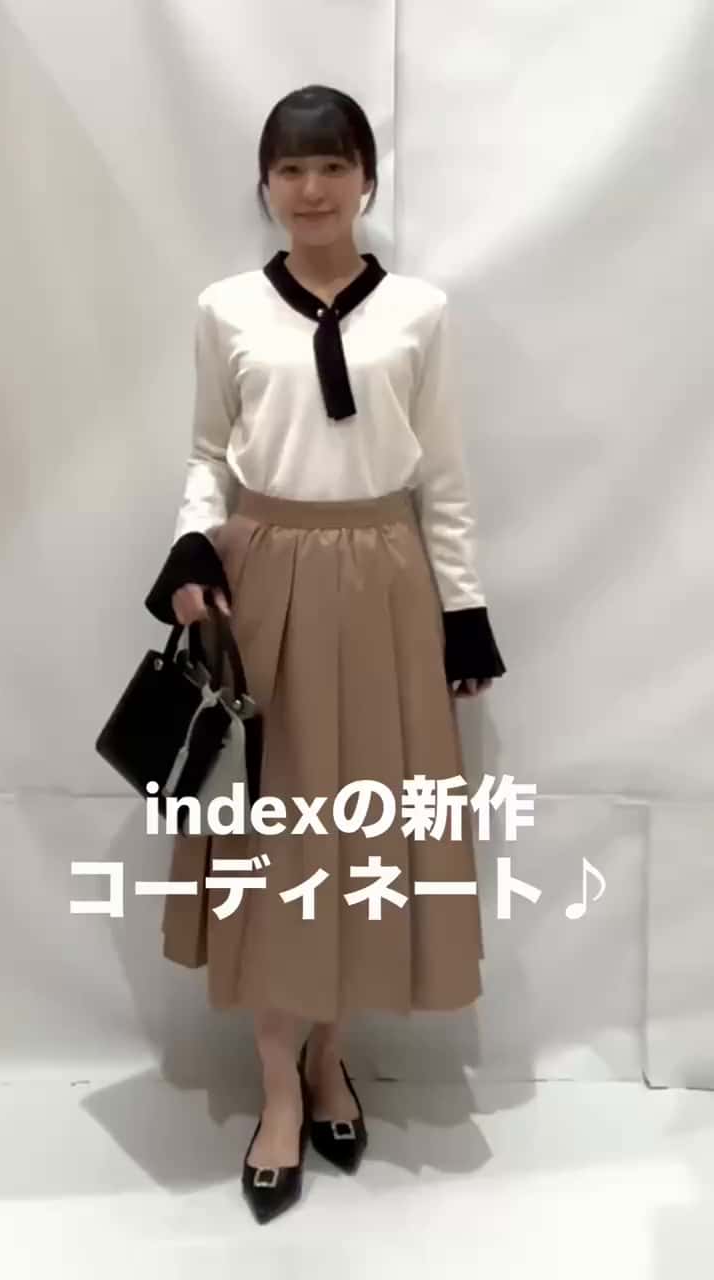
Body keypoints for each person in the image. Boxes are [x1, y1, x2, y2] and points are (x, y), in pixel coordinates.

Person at [144, 84, 507, 1225]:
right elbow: (209, 454)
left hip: (386, 584)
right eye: (291, 169)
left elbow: (442, 475)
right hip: (264, 583)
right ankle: (275, 1090)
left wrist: (463, 608)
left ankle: (330, 1060)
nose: (312, 189)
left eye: (333, 166)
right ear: (265, 185)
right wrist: (190, 548)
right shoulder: (226, 310)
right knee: (274, 835)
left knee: (362, 829)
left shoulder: (420, 313)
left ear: (367, 181)